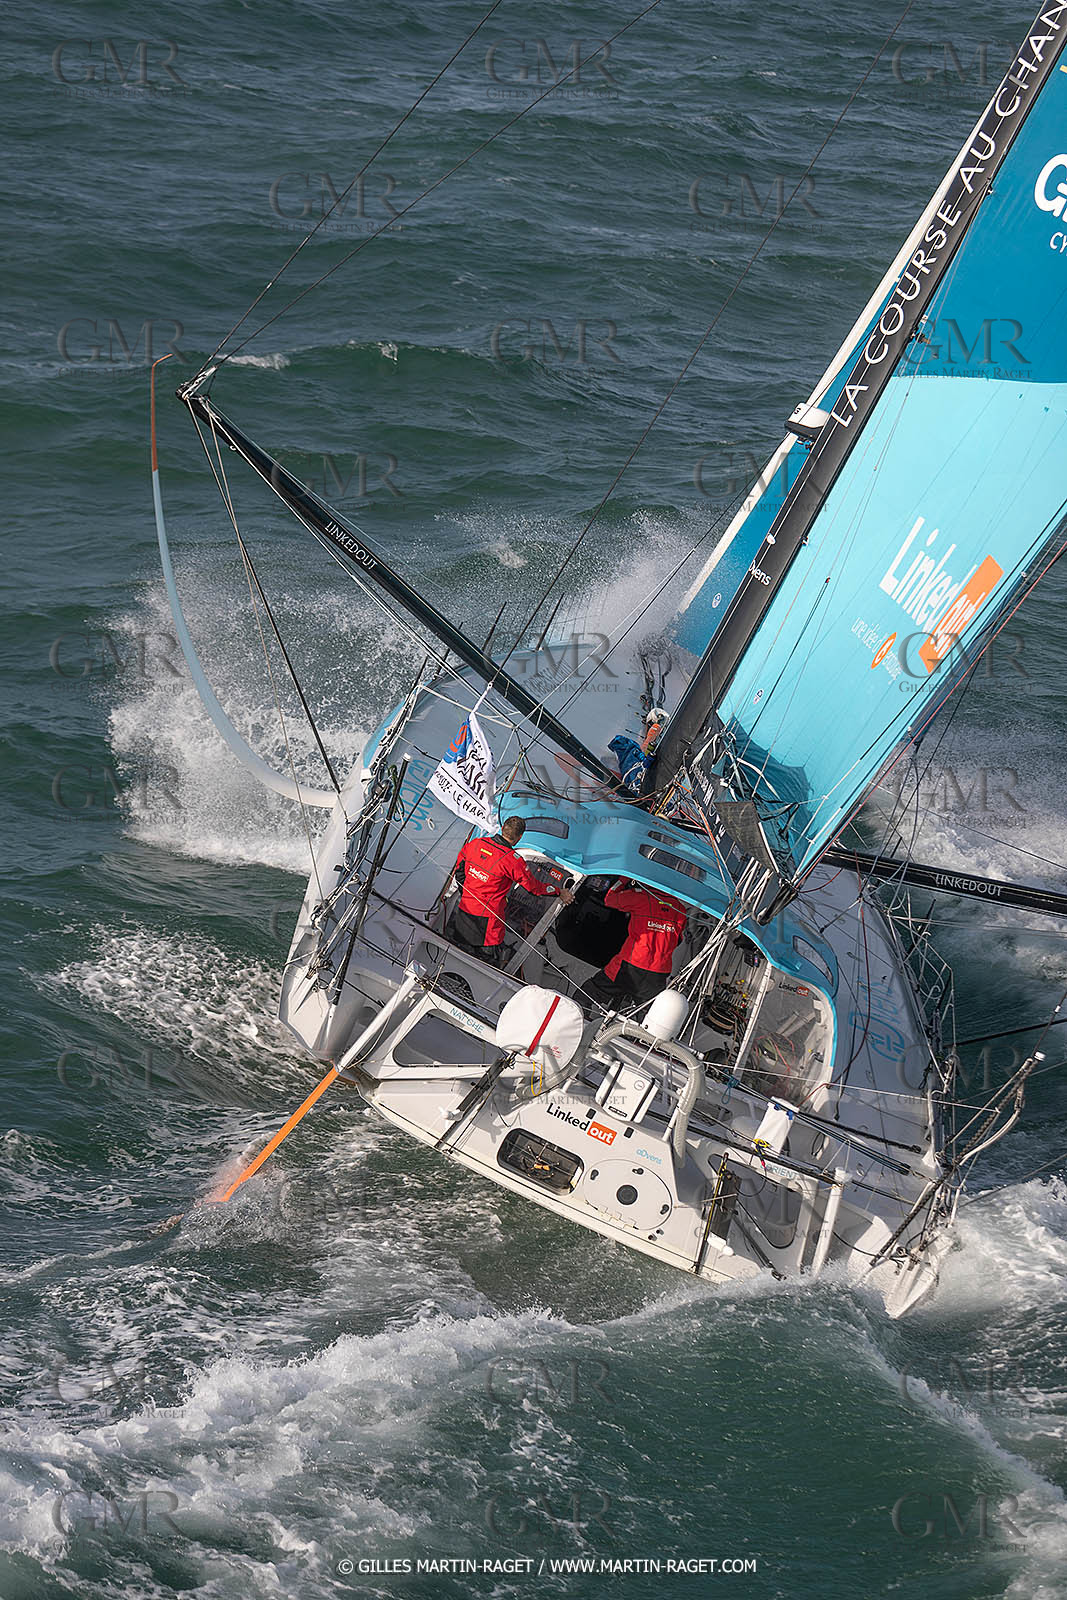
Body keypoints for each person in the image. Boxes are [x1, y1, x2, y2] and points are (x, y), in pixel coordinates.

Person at [448, 816, 573, 966]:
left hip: (464, 912)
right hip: (489, 924)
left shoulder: (476, 843)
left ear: (502, 829)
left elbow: (459, 871)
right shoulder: (513, 861)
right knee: (483, 964)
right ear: (520, 836)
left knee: (456, 954)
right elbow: (534, 888)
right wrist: (559, 891)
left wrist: (467, 894)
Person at [581, 878, 688, 1013]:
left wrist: (623, 880)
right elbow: (678, 940)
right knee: (648, 1016)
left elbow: (610, 899)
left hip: (630, 965)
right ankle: (634, 1033)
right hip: (658, 974)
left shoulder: (640, 897)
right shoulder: (681, 910)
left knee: (589, 992)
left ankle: (577, 1020)